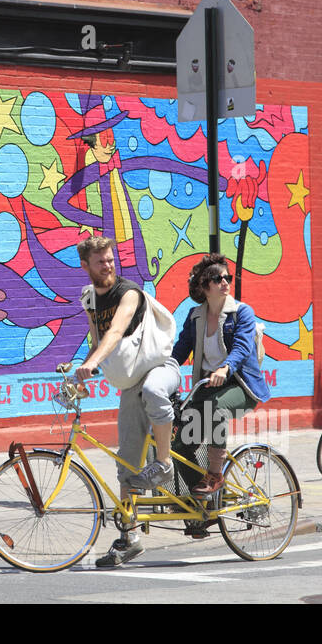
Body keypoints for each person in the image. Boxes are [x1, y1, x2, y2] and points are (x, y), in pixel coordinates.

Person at [71, 235, 180, 568]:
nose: (108, 266)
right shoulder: (90, 299)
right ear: (86, 265)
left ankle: (164, 463)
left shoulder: (128, 292)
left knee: (153, 392)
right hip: (131, 384)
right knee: (127, 464)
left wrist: (93, 363)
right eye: (101, 261)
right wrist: (79, 368)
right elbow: (98, 342)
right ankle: (130, 537)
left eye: (110, 260)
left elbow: (116, 332)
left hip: (160, 369)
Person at [168, 253, 269, 512]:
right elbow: (180, 350)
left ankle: (215, 474)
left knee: (216, 407)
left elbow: (243, 347)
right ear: (203, 286)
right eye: (217, 278)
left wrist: (225, 368)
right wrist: (163, 368)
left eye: (227, 277)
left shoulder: (241, 313)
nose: (224, 282)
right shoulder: (195, 316)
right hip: (208, 388)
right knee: (179, 447)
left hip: (241, 387)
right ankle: (204, 507)